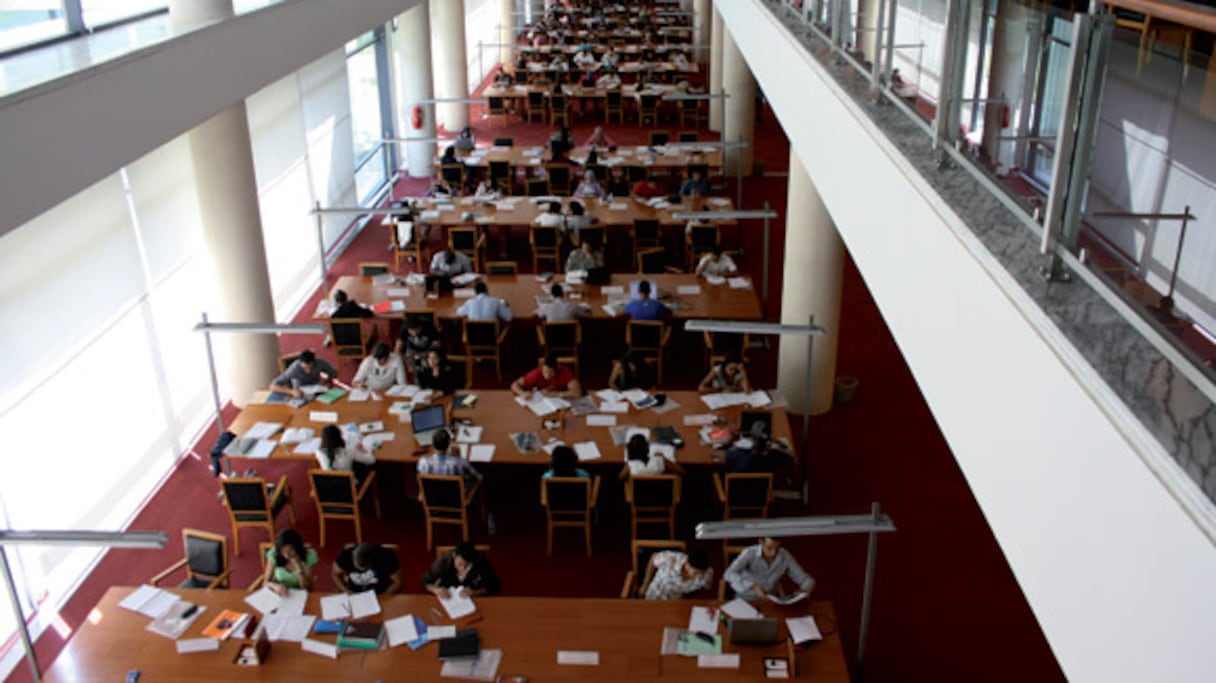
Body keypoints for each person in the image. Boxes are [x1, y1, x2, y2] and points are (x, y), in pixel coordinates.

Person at [724, 537, 815, 602]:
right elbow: (728, 573)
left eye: (777, 548)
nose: (773, 553)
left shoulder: (784, 555)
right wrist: (753, 586)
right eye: (769, 548)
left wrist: (804, 590)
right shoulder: (750, 552)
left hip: (770, 601)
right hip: (746, 599)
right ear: (761, 541)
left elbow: (807, 580)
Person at [422, 542, 501, 597]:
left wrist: (475, 592)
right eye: (460, 564)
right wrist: (436, 590)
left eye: (467, 565)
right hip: (448, 597)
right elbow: (425, 582)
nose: (462, 568)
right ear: (454, 556)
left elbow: (494, 586)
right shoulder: (444, 562)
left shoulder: (481, 561)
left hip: (473, 599)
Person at [639, 548, 713, 599]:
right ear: (687, 564)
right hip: (654, 595)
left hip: (675, 602)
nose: (699, 576)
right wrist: (645, 583)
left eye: (701, 573)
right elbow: (653, 559)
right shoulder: (670, 559)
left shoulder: (706, 576)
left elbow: (703, 589)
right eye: (695, 573)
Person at [417, 428, 483, 486]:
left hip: (432, 498)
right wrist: (458, 458)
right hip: (457, 497)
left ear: (433, 445)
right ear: (449, 444)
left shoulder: (422, 462)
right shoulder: (460, 463)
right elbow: (478, 477)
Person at [262, 529, 317, 595]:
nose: (287, 555)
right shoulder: (274, 554)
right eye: (283, 552)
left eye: (290, 551)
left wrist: (299, 569)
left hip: (299, 594)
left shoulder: (309, 556)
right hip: (280, 593)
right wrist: (274, 586)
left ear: (297, 547)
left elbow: (307, 589)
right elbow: (265, 583)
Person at [332, 542, 401, 595]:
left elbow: (398, 582)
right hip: (354, 591)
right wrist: (346, 591)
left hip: (380, 591)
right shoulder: (346, 556)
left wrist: (384, 596)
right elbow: (335, 574)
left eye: (364, 569)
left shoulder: (386, 557)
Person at [724, 421, 792, 474]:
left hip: (735, 487)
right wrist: (774, 441)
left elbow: (726, 454)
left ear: (753, 438)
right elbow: (787, 451)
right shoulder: (775, 455)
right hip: (762, 490)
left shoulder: (741, 454)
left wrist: (730, 442)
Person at [270, 350, 337, 398]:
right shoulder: (294, 368)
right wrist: (291, 391)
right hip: (301, 392)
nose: (308, 371)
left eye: (311, 368)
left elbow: (334, 373)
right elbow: (273, 386)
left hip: (317, 388)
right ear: (300, 363)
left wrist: (326, 380)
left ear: (314, 362)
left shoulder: (320, 362)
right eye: (305, 368)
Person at [511, 353, 582, 398]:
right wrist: (522, 393)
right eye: (544, 372)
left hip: (561, 400)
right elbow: (514, 385)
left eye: (551, 373)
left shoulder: (565, 371)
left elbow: (577, 392)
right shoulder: (536, 373)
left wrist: (555, 394)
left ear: (556, 370)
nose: (547, 376)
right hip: (541, 401)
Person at [619, 433, 685, 481]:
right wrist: (664, 459)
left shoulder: (630, 465)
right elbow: (682, 471)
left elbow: (621, 477)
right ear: (647, 449)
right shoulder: (660, 461)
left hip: (638, 498)